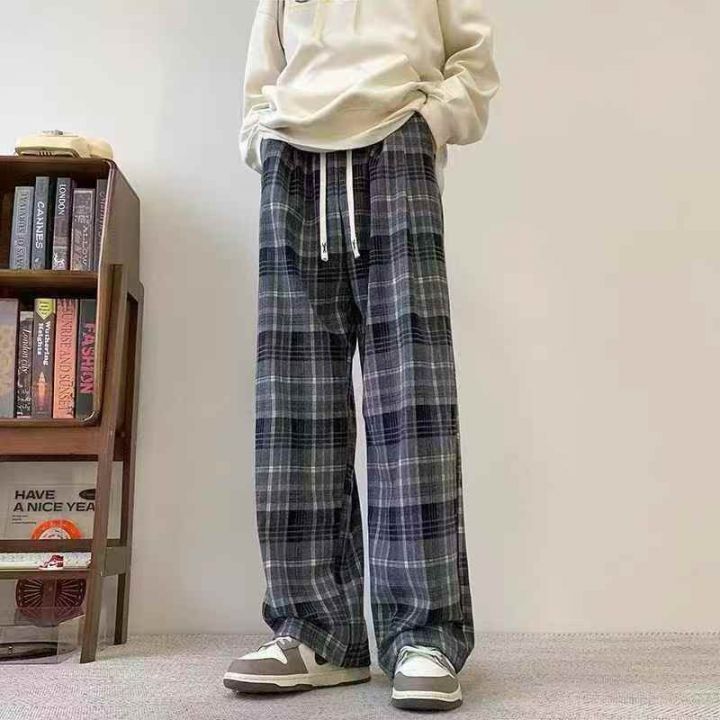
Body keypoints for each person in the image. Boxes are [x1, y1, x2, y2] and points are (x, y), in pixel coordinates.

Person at [223, 0, 500, 711]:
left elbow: (472, 58)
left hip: (397, 140)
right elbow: (263, 71)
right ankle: (315, 633)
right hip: (293, 155)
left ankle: (424, 634)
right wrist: (263, 136)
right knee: (295, 408)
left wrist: (431, 121)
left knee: (411, 400)